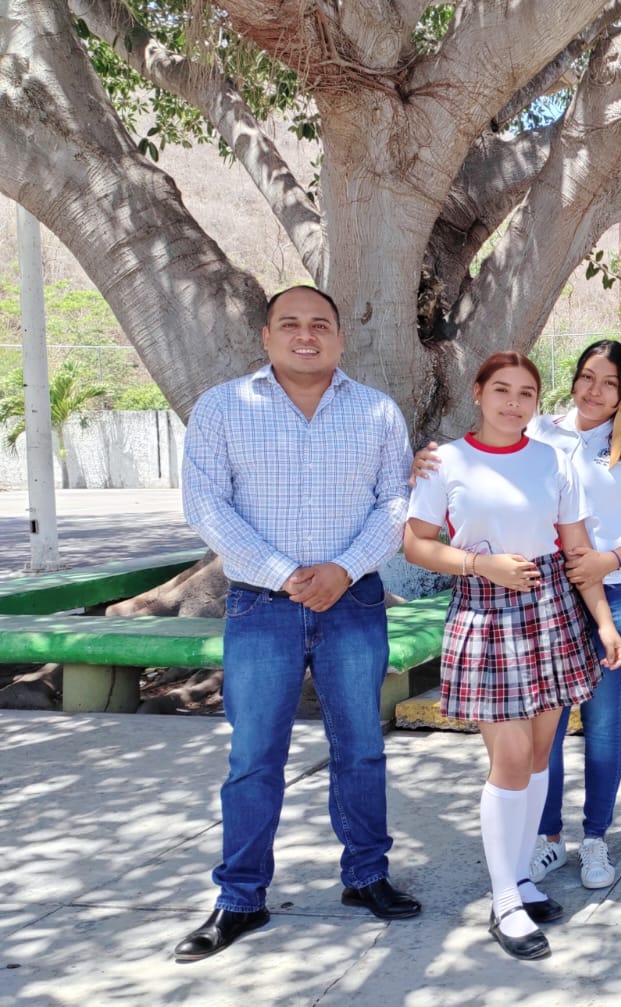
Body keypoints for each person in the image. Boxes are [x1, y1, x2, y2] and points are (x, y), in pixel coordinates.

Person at [175, 285, 417, 962]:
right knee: (254, 756)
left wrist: (343, 569)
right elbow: (206, 504)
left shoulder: (376, 411)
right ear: (266, 336)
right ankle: (240, 896)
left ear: (339, 338)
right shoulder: (222, 407)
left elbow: (397, 501)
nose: (305, 335)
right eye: (290, 324)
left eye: (319, 325)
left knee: (361, 747)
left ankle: (366, 875)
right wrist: (286, 572)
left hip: (354, 603)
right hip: (260, 607)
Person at [402, 351, 621, 960]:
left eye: (526, 393)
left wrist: (604, 622)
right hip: (485, 608)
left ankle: (522, 876)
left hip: (551, 606)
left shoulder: (552, 460)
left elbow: (577, 551)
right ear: (477, 392)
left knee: (539, 755)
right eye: (501, 389)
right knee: (510, 758)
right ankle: (504, 902)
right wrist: (480, 564)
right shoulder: (445, 461)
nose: (513, 402)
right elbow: (417, 545)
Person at [532, 341, 621, 890]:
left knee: (604, 718)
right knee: (547, 718)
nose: (594, 391)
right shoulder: (541, 432)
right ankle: (547, 838)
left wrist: (607, 561)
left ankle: (595, 839)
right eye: (587, 377)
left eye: (609, 382)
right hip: (552, 594)